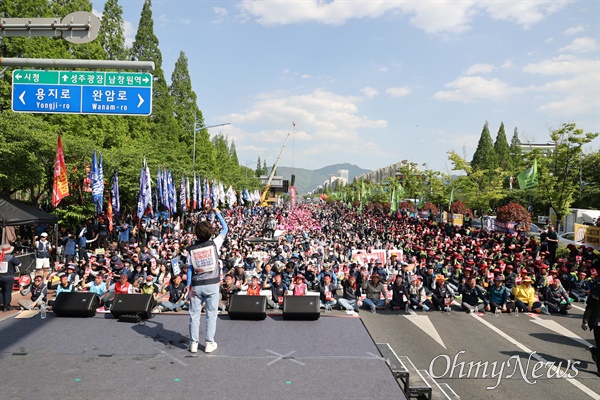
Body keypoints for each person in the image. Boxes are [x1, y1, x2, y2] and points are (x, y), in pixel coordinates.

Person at [187, 208, 228, 354]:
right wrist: (217, 213)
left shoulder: (191, 249)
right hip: (212, 284)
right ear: (211, 232)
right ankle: (209, 343)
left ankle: (193, 343)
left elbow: (190, 269)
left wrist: (188, 285)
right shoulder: (215, 243)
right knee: (211, 314)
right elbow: (225, 228)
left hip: (197, 285)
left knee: (194, 315)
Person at [582, 278, 600, 375]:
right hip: (598, 322)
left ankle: (595, 352)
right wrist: (585, 320)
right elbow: (589, 307)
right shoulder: (596, 292)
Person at [0, 243, 21, 311]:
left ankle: (1, 303)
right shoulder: (11, 257)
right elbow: (19, 264)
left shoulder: (1, 257)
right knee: (7, 292)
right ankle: (6, 306)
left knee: (2, 290)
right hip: (9, 277)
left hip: (0, 276)